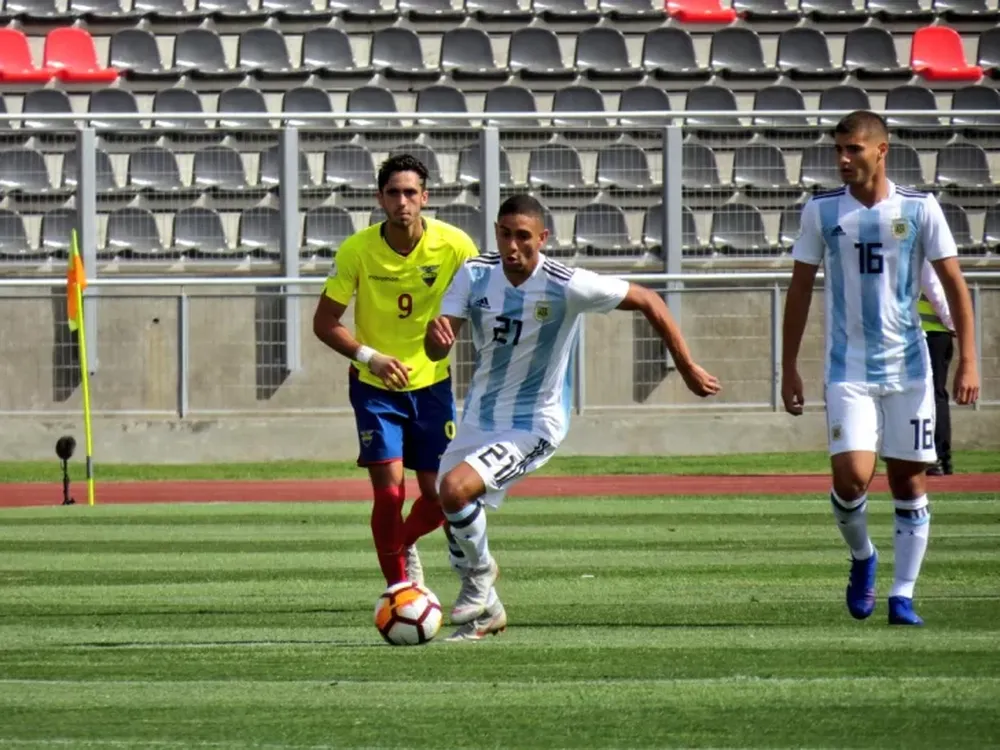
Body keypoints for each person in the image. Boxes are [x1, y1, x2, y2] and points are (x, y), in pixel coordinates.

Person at [423, 194, 722, 641]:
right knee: (450, 506)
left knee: (454, 490)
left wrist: (686, 366)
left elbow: (648, 300)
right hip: (478, 418)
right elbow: (437, 348)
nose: (511, 246)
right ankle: (490, 614)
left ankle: (481, 576)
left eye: (523, 236)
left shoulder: (566, 283)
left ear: (543, 238)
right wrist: (436, 337)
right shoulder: (475, 274)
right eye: (504, 234)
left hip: (533, 424)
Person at [781, 110, 980, 627]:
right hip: (848, 368)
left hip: (910, 368)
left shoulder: (919, 209)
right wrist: (788, 367)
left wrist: (968, 361)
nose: (844, 159)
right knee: (852, 479)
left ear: (881, 150)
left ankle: (903, 594)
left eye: (854, 150)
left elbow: (955, 286)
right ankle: (864, 557)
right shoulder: (822, 212)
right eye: (838, 150)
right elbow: (800, 289)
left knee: (910, 481)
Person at [312, 154, 479, 589]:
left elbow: (483, 301)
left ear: (424, 198)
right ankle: (399, 590)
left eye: (410, 193)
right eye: (393, 193)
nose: (402, 201)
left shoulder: (457, 245)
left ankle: (401, 544)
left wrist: (454, 330)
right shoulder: (357, 250)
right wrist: (372, 358)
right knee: (389, 493)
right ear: (379, 199)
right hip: (375, 388)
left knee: (441, 496)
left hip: (433, 386)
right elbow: (324, 323)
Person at [919, 261, 956, 476]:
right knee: (934, 395)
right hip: (933, 332)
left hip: (928, 333)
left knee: (931, 395)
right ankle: (938, 457)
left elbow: (934, 290)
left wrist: (951, 324)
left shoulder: (920, 252)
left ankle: (936, 457)